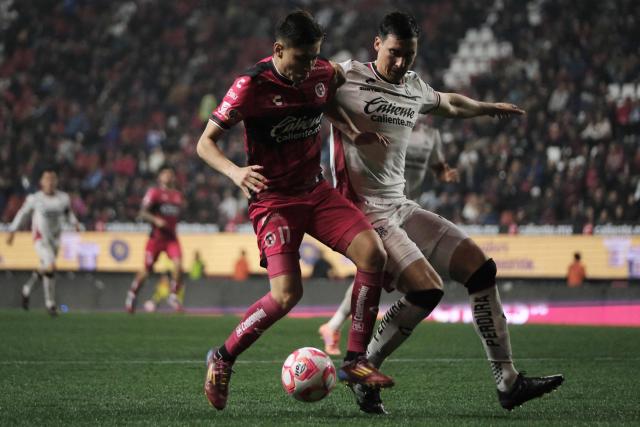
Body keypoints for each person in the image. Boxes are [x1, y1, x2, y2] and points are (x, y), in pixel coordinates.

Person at [324, 11, 563, 414]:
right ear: (377, 44)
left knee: (481, 270)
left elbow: (449, 103)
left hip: (401, 206)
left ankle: (508, 382)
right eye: (395, 54)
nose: (401, 64)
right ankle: (364, 372)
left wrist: (486, 107)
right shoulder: (345, 76)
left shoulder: (414, 86)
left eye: (409, 56)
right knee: (427, 289)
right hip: (364, 214)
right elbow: (307, 94)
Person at [196, 10, 394, 411]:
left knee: (374, 255)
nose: (308, 68)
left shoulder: (321, 72)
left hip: (315, 191)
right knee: (287, 294)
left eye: (314, 57)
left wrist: (353, 132)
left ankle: (355, 360)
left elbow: (325, 101)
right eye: (300, 59)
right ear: (278, 49)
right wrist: (235, 172)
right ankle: (223, 357)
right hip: (274, 201)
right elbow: (205, 143)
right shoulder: (250, 85)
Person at [319, 120, 455, 356]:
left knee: (376, 273)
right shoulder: (387, 122)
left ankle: (334, 327)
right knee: (375, 269)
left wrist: (443, 172)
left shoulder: (431, 135)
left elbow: (437, 164)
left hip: (407, 210)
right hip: (381, 210)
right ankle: (339, 331)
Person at [6, 169, 80, 316]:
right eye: (47, 179)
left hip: (55, 239)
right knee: (51, 266)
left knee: (46, 268)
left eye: (53, 179)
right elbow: (23, 214)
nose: (50, 182)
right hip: (40, 238)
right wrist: (13, 231)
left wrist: (75, 223)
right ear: (41, 182)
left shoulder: (63, 198)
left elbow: (68, 213)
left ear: (57, 181)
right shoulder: (35, 199)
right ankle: (50, 303)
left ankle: (27, 289)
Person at [125, 165, 185, 313]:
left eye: (171, 174)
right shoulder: (154, 193)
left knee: (178, 263)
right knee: (147, 269)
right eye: (166, 174)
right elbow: (142, 213)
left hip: (171, 237)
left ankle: (173, 294)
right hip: (156, 238)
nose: (169, 177)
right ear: (160, 177)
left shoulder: (177, 195)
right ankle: (132, 293)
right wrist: (156, 220)